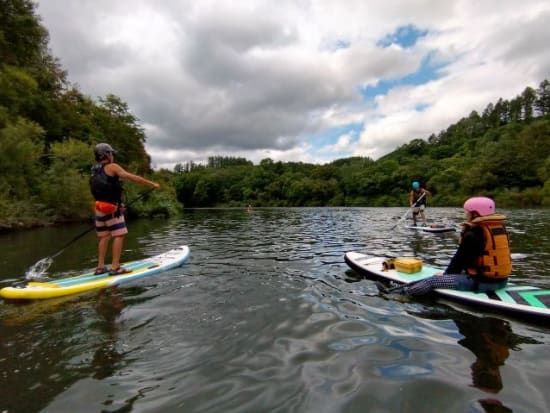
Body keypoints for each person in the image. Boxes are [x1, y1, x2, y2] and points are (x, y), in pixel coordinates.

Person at [390, 196, 512, 297]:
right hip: (502, 281)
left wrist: (446, 275)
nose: (466, 214)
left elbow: (459, 261)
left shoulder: (473, 234)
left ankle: (403, 294)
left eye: (467, 211)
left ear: (475, 213)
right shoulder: (498, 229)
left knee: (432, 280)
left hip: (481, 283)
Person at [90, 143, 160, 275]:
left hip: (98, 208)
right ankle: (115, 267)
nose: (112, 156)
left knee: (104, 237)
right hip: (111, 210)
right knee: (119, 235)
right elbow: (132, 177)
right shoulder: (112, 167)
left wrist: (119, 203)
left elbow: (103, 188)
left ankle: (100, 267)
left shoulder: (94, 169)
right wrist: (152, 184)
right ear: (106, 155)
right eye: (111, 153)